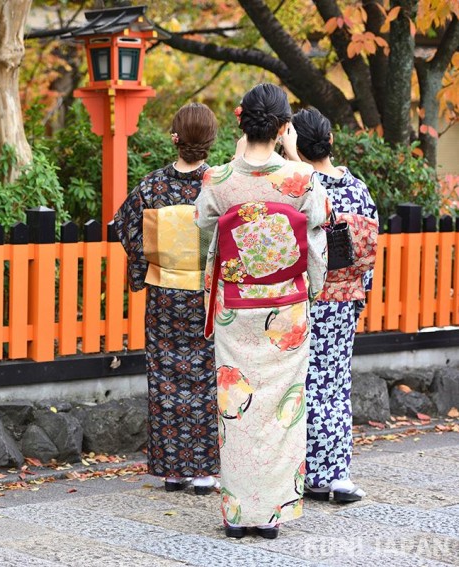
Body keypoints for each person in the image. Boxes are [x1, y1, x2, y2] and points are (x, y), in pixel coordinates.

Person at [195, 84, 330, 539]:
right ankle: (269, 514)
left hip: (236, 307)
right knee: (280, 411)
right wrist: (314, 288)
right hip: (286, 309)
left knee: (236, 407)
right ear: (282, 127)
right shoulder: (301, 180)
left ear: (242, 122)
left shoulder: (216, 179)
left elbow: (204, 231)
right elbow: (315, 247)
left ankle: (236, 514)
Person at [113, 103, 220, 496]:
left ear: (175, 137)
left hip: (164, 296)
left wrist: (145, 266)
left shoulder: (153, 186)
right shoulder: (219, 185)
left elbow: (125, 227)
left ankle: (173, 470)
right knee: (206, 377)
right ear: (210, 141)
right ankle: (206, 470)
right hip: (208, 296)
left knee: (166, 377)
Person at [291, 107, 378, 504]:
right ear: (330, 142)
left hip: (311, 295)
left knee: (308, 382)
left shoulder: (304, 187)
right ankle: (337, 471)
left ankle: (313, 471)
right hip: (347, 296)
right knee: (336, 381)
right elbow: (368, 249)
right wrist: (360, 290)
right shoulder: (357, 187)